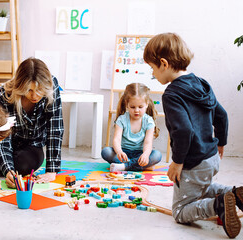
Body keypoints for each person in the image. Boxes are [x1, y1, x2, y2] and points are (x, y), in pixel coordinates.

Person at [143, 32, 243, 238]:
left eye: (152, 69)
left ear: (163, 63)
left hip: (193, 162)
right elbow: (222, 115)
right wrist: (220, 144)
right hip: (211, 157)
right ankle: (233, 193)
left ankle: (218, 204)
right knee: (199, 187)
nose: (153, 74)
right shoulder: (202, 83)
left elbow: (184, 131)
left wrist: (177, 162)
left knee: (180, 211)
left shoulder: (171, 94)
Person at [0, 57, 64, 188]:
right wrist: (8, 170)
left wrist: (52, 170)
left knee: (25, 164)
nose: (35, 96)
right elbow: (2, 137)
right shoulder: (3, 94)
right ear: (20, 86)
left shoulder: (52, 86)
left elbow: (55, 129)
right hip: (6, 143)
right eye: (29, 90)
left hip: (31, 147)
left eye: (39, 90)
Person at [101, 83, 162, 172]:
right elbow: (116, 140)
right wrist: (119, 152)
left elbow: (148, 143)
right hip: (124, 153)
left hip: (140, 154)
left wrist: (145, 154)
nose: (136, 110)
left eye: (140, 107)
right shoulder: (122, 119)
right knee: (106, 151)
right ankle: (141, 166)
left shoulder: (149, 121)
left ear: (147, 104)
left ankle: (124, 166)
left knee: (157, 155)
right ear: (127, 104)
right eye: (132, 107)